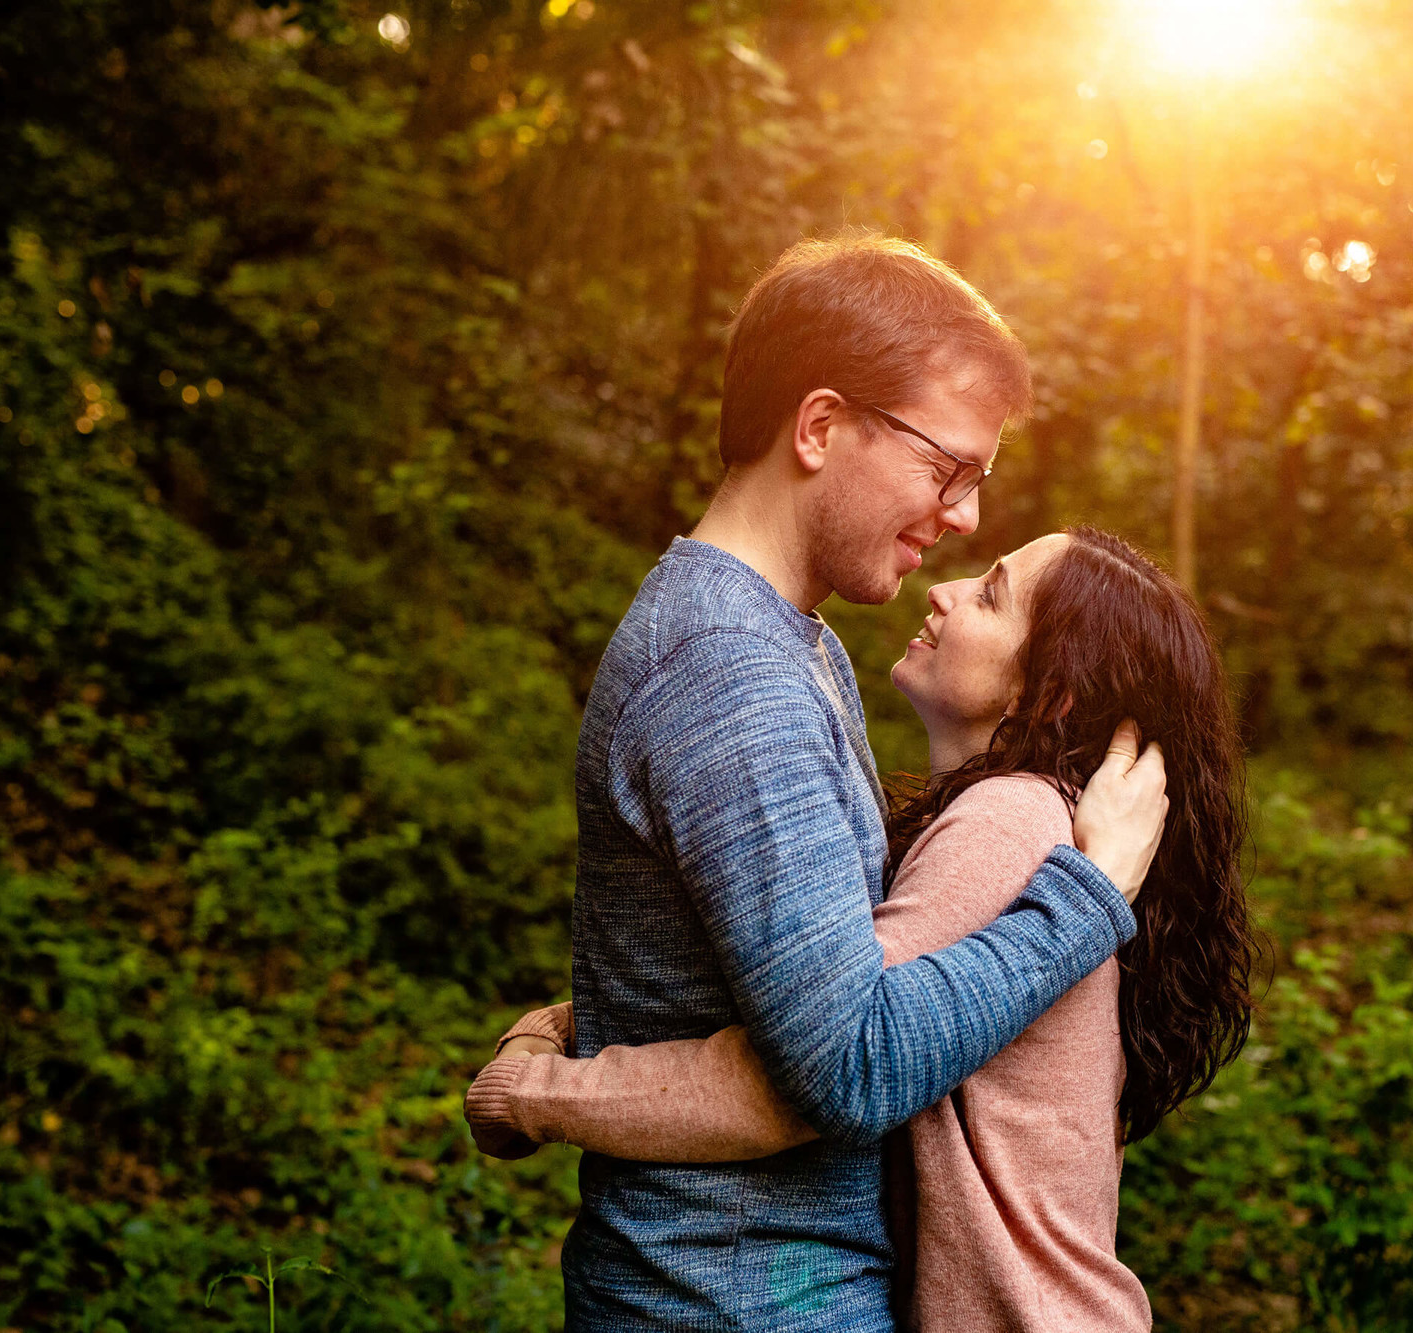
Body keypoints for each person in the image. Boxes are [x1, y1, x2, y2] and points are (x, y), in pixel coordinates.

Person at [466, 234, 1171, 1331]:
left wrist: (567, 1041)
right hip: (731, 1300)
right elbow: (847, 1063)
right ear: (820, 426)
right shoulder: (727, 674)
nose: (964, 517)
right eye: (947, 470)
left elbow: (808, 966)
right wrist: (1084, 901)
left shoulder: (794, 643)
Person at [470, 526, 1256, 1332]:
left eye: (989, 595)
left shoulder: (1008, 825)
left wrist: (531, 1091)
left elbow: (816, 1069)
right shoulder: (1019, 823)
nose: (943, 592)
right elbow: (817, 1001)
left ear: (1045, 693)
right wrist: (574, 1023)